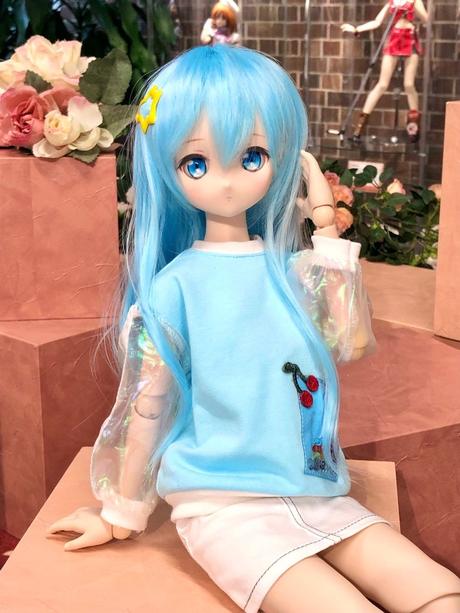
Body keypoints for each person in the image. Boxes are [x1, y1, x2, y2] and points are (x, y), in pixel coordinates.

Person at [48, 45, 460, 613]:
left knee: (436, 589)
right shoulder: (175, 288)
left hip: (314, 487)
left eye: (253, 156)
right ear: (167, 168)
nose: (225, 182)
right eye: (196, 163)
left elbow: (349, 341)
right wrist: (120, 511)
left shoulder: (292, 273)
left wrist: (325, 226)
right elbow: (146, 403)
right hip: (221, 503)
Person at [342, 0, 428, 143]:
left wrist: (414, 6)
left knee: (408, 84)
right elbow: (377, 21)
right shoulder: (392, 2)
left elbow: (426, 19)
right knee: (382, 84)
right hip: (395, 38)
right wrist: (357, 29)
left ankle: (413, 126)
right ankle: (359, 127)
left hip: (410, 38)